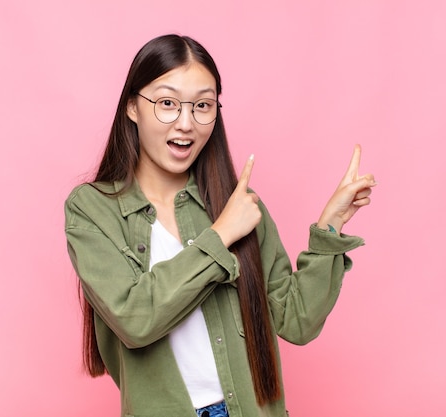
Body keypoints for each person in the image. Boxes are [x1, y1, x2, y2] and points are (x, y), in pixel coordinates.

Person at [64, 34, 376, 417]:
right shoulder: (93, 210)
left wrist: (331, 227)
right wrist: (221, 235)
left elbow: (297, 321)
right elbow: (134, 320)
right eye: (166, 103)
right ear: (132, 106)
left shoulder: (235, 204)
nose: (185, 123)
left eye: (202, 106)